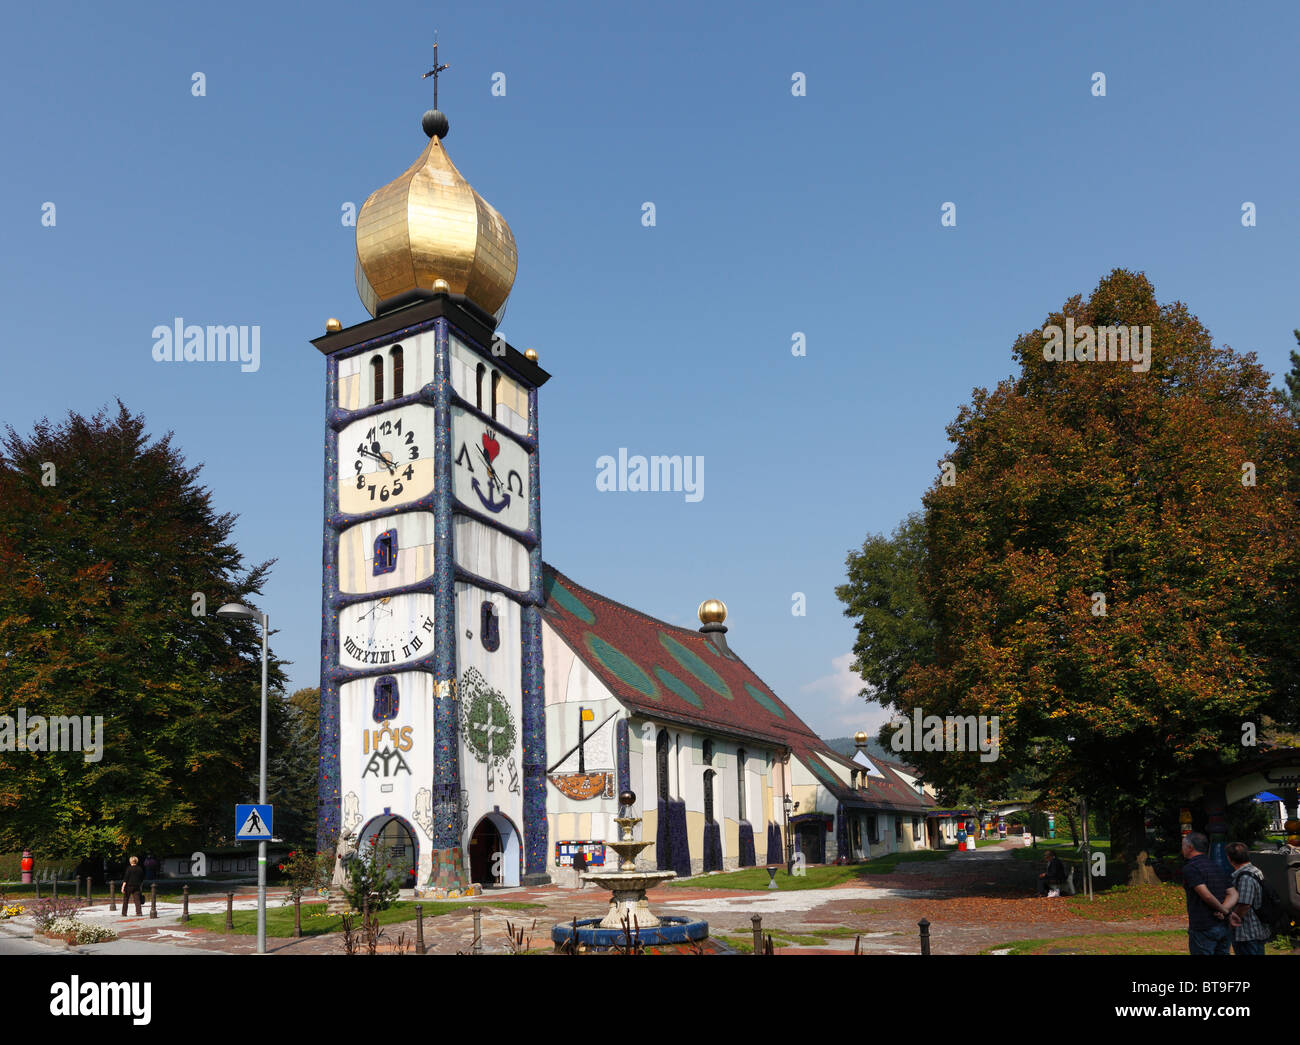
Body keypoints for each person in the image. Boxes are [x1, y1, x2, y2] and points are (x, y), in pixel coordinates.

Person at [1181, 831, 1235, 955]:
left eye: (1183, 846)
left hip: (1203, 925)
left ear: (1190, 847)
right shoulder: (1216, 866)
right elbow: (1233, 893)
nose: (1182, 849)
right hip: (1222, 925)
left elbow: (1206, 895)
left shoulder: (1191, 868)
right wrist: (1224, 909)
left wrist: (1224, 911)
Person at [1224, 842, 1269, 956]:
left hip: (1248, 932)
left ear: (1229, 858)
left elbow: (1245, 904)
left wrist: (1233, 918)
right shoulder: (1256, 871)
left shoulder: (1245, 877)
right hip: (1258, 928)